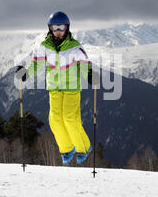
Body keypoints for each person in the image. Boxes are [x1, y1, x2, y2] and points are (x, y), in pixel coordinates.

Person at [15, 11, 99, 165]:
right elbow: (36, 63)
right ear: (50, 28)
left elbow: (85, 65)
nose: (58, 30)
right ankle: (67, 148)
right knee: (54, 120)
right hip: (54, 88)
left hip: (72, 88)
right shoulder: (44, 47)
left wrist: (89, 76)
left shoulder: (75, 47)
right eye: (55, 27)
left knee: (70, 118)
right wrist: (26, 73)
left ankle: (84, 147)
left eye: (62, 27)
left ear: (67, 28)